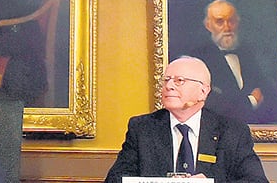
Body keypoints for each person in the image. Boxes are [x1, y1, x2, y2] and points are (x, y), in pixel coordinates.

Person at [105, 56, 267, 183]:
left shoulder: (232, 132)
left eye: (179, 81)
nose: (169, 86)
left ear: (203, 91)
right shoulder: (142, 128)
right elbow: (116, 179)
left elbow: (256, 181)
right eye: (166, 80)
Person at [188, 0, 277, 124]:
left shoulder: (250, 54)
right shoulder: (197, 59)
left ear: (237, 22)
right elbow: (210, 104)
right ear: (208, 25)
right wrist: (251, 101)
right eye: (219, 22)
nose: (227, 27)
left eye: (231, 21)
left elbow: (270, 94)